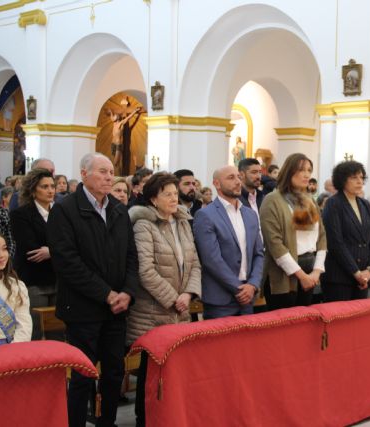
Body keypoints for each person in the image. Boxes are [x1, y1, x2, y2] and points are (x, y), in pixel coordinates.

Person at [47, 153, 139, 427]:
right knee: (82, 376)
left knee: (113, 374)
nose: (109, 177)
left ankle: (106, 423)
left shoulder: (119, 210)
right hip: (82, 309)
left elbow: (132, 258)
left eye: (111, 172)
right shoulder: (65, 210)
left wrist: (127, 292)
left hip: (117, 310)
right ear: (84, 174)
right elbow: (67, 261)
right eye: (102, 171)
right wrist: (106, 293)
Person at [128, 173, 201, 426]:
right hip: (153, 310)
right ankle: (143, 419)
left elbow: (194, 264)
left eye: (174, 193)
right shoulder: (144, 225)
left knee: (174, 370)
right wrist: (173, 299)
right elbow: (145, 270)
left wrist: (188, 294)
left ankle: (169, 417)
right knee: (150, 371)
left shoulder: (182, 222)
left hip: (179, 308)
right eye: (167, 194)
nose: (173, 199)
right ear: (153, 199)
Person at [193, 165, 263, 319]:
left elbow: (258, 254)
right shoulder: (205, 215)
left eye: (238, 177)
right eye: (231, 178)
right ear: (217, 184)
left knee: (246, 343)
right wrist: (239, 288)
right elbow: (211, 259)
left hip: (248, 296)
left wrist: (252, 285)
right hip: (220, 298)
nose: (238, 181)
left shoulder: (250, 215)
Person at [260, 153, 326, 309]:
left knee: (304, 326)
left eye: (309, 170)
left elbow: (322, 237)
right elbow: (274, 244)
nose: (306, 174)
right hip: (284, 274)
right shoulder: (272, 200)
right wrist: (302, 276)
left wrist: (316, 272)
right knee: (284, 328)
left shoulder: (309, 200)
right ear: (289, 171)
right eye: (301, 170)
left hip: (310, 270)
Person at [321, 161, 370, 302]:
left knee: (358, 323)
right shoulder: (333, 203)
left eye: (361, 177)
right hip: (339, 277)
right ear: (342, 180)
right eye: (354, 178)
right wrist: (356, 273)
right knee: (339, 322)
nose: (359, 181)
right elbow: (336, 243)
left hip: (363, 277)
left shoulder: (364, 204)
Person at [9, 168, 57, 340]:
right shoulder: (20, 214)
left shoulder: (60, 212)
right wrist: (58, 250)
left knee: (57, 329)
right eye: (45, 186)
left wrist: (51, 251)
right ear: (33, 189)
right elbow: (31, 249)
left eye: (52, 186)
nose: (50, 190)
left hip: (58, 277)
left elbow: (73, 243)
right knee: (34, 328)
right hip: (33, 279)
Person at [0, 229, 31, 349]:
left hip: (13, 352)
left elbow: (24, 324)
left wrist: (13, 351)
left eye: (4, 248)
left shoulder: (17, 285)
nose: (1, 255)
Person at [107, 106, 142, 175]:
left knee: (116, 162)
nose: (114, 116)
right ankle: (119, 175)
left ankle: (120, 175)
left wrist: (135, 111)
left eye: (116, 115)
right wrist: (110, 111)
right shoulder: (114, 123)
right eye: (114, 115)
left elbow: (129, 117)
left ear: (118, 118)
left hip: (118, 144)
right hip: (113, 144)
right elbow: (111, 117)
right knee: (116, 163)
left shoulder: (121, 123)